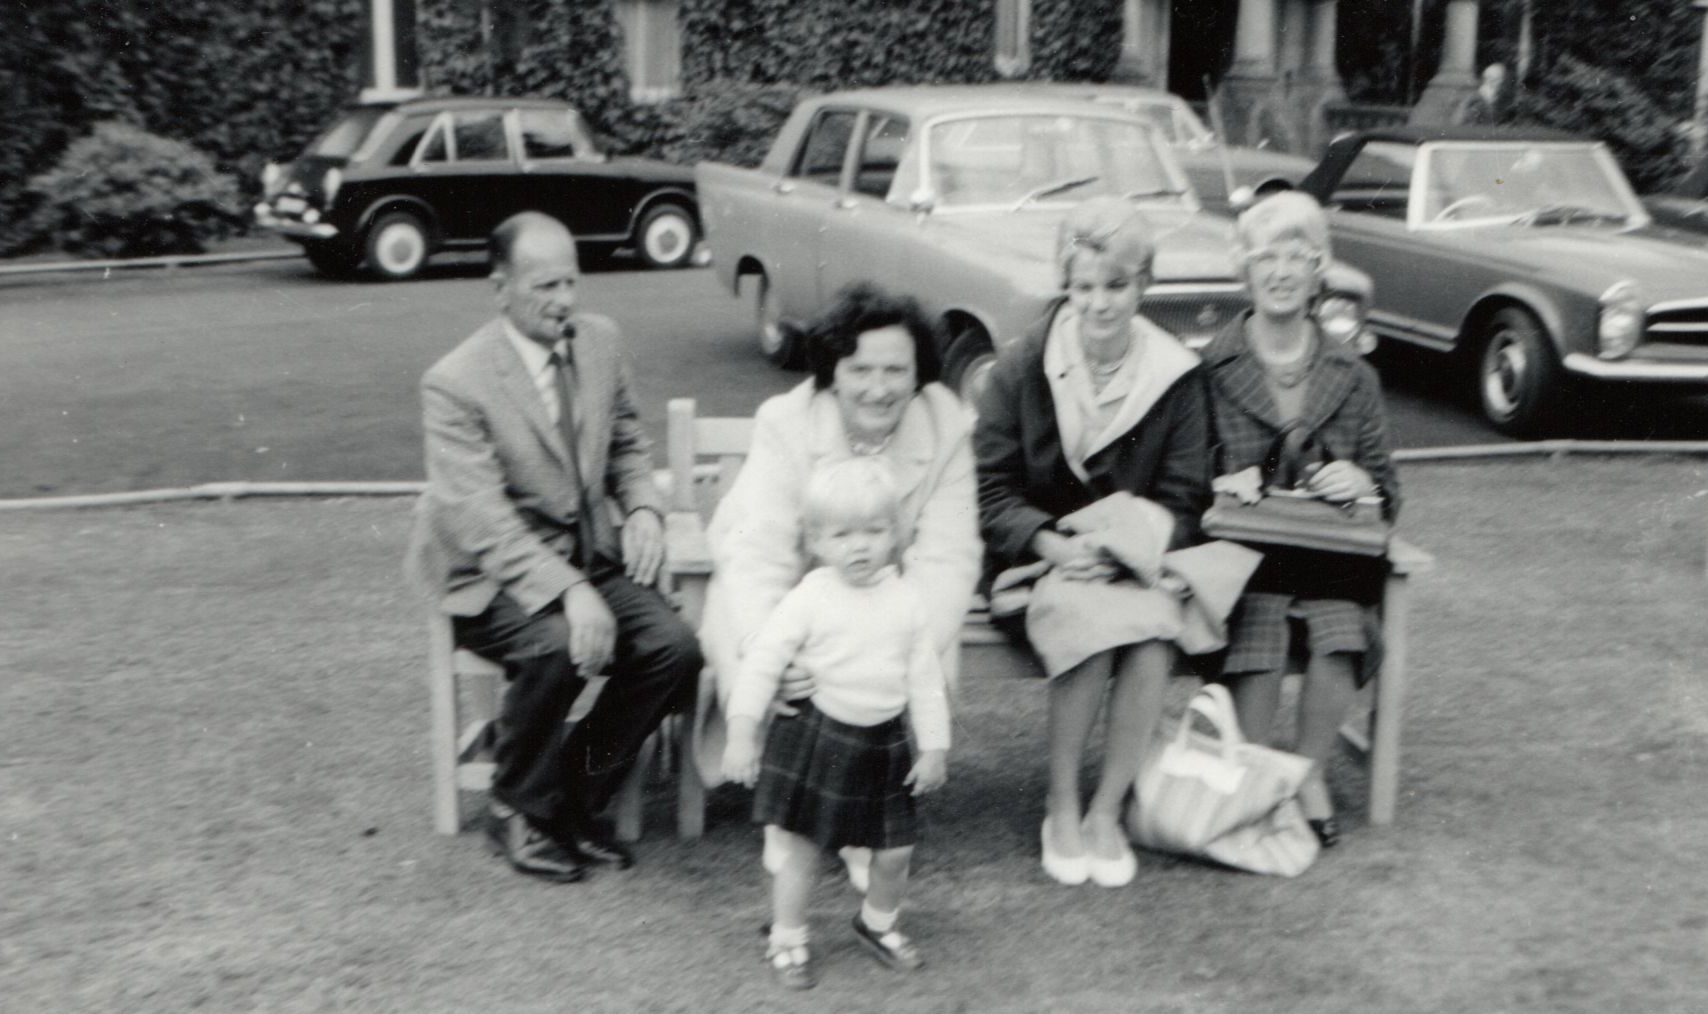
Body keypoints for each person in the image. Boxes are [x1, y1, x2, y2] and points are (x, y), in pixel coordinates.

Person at [406, 212, 701, 882]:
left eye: (571, 282)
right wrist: (570, 592)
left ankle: (571, 796)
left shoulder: (600, 341)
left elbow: (626, 440)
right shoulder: (454, 383)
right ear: (500, 288)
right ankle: (514, 806)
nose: (564, 301)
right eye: (544, 287)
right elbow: (482, 523)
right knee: (558, 643)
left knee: (674, 650)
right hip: (484, 572)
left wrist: (645, 509)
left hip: (587, 553)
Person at [695, 282, 980, 887]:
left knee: (907, 659)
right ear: (833, 372)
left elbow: (948, 558)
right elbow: (756, 552)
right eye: (861, 369)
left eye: (896, 370)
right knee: (773, 660)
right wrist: (774, 647)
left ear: (919, 373)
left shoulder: (948, 424)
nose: (879, 388)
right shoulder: (786, 421)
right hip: (789, 595)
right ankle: (787, 814)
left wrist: (893, 639)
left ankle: (860, 819)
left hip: (889, 596)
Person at [974, 196, 1216, 889]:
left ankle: (1106, 811)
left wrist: (1125, 548)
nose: (1100, 305)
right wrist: (1054, 547)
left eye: (1117, 286)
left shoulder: (1175, 376)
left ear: (1144, 285)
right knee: (1090, 618)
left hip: (1135, 564)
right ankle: (1061, 805)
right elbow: (988, 491)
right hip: (1039, 567)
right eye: (1084, 287)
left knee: (1147, 636)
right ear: (1066, 286)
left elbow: (1186, 498)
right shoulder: (1023, 366)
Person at [1202, 191, 1402, 848]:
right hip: (1244, 560)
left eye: (1298, 256)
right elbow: (1183, 476)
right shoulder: (1210, 366)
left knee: (1341, 628)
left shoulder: (1354, 373)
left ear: (1320, 270)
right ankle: (1258, 779)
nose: (1282, 271)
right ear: (1245, 269)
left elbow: (1389, 492)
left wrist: (1363, 480)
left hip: (1331, 556)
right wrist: (1218, 479)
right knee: (1257, 629)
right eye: (1267, 256)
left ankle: (1308, 775)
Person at [722, 457, 950, 990]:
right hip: (820, 739)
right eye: (842, 534)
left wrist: (934, 747)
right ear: (817, 541)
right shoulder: (810, 598)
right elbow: (763, 664)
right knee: (801, 852)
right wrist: (740, 729)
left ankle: (877, 924)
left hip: (885, 742)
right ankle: (788, 937)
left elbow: (924, 679)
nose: (860, 546)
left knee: (895, 852)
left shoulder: (907, 601)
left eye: (874, 530)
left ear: (896, 534)